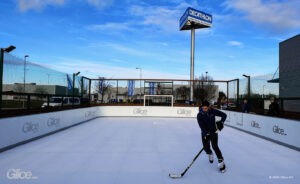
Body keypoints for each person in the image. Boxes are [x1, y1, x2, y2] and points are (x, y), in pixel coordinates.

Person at [197, 100, 227, 173]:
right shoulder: (199, 115)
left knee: (215, 146)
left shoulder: (212, 111)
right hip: (205, 133)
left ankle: (221, 163)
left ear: (209, 107)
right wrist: (206, 134)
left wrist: (221, 122)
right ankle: (210, 153)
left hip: (213, 132)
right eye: (203, 108)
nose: (204, 110)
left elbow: (224, 115)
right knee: (206, 148)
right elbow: (201, 126)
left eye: (206, 108)